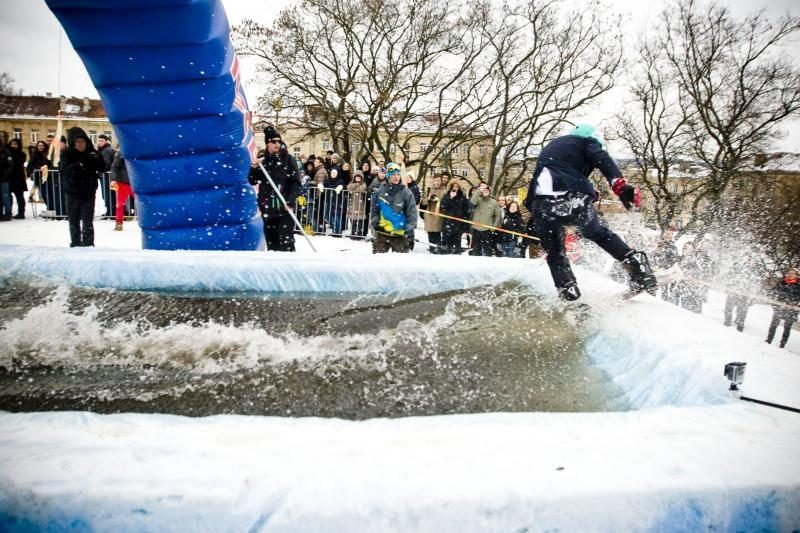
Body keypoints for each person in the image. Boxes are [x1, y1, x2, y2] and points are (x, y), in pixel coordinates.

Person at [523, 123, 656, 300]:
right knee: (598, 233)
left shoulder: (553, 148)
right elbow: (600, 157)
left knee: (555, 253)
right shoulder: (586, 142)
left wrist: (535, 216)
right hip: (571, 196)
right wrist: (618, 183)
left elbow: (552, 177)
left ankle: (568, 291)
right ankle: (638, 269)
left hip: (541, 205)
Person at [248, 125, 301, 251]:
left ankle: (290, 267)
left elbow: (295, 183)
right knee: (272, 243)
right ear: (267, 144)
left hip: (284, 208)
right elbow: (252, 180)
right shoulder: (264, 161)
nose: (277, 144)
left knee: (286, 241)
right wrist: (254, 168)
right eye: (273, 141)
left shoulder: (288, 160)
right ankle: (275, 270)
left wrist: (290, 201)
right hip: (268, 209)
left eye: (279, 141)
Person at [60, 127, 105, 246]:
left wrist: (98, 158)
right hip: (72, 191)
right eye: (78, 142)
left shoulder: (91, 152)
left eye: (83, 141)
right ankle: (75, 242)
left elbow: (103, 167)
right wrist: (79, 164)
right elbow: (64, 170)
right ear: (73, 143)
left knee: (87, 219)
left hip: (88, 191)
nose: (81, 144)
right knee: (73, 219)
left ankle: (88, 243)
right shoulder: (67, 154)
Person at [370, 161, 417, 253]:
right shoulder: (379, 192)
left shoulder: (406, 193)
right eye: (393, 174)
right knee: (377, 263)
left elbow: (412, 213)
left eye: (398, 174)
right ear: (388, 176)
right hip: (382, 233)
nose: (396, 177)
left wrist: (409, 229)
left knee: (401, 265)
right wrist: (375, 223)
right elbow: (374, 210)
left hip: (400, 234)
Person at [766, 268, 799, 349]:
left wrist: (795, 303)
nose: (790, 274)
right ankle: (769, 340)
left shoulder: (798, 285)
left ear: (796, 275)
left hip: (791, 309)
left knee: (787, 327)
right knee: (774, 324)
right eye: (789, 273)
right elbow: (774, 292)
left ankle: (782, 344)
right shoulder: (782, 283)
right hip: (780, 307)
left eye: (792, 273)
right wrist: (775, 301)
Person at [469, 182, 503, 257]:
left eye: (487, 190)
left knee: (487, 251)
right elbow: (472, 201)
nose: (485, 192)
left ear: (489, 192)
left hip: (487, 230)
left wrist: (493, 227)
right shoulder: (478, 199)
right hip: (476, 229)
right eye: (484, 190)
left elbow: (498, 216)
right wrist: (479, 190)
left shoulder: (494, 202)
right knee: (475, 251)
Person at [440, 179, 471, 254]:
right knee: (447, 245)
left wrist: (465, 224)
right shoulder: (446, 196)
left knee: (457, 246)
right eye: (453, 186)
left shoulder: (462, 197)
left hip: (458, 224)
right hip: (448, 223)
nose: (455, 188)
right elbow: (443, 206)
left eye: (457, 186)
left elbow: (466, 211)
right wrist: (450, 198)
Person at [420, 174, 447, 253]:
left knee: (437, 233)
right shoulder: (429, 190)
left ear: (441, 181)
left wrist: (438, 200)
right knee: (430, 233)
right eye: (436, 180)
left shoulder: (444, 191)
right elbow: (423, 203)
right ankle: (432, 249)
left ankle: (438, 249)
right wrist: (428, 198)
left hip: (438, 215)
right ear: (433, 181)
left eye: (439, 180)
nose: (437, 182)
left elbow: (446, 203)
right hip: (429, 215)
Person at [109, 150, 133, 231]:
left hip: (131, 181)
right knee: (120, 203)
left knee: (120, 204)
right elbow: (115, 167)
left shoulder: (123, 151)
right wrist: (114, 179)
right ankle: (119, 222)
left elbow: (114, 167)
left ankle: (119, 222)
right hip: (125, 181)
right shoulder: (122, 152)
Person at [6, 138, 28, 219]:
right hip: (9, 177)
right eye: (12, 144)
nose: (13, 146)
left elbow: (18, 164)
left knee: (19, 196)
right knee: (8, 196)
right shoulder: (7, 153)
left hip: (18, 178)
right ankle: (9, 212)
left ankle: (21, 213)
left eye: (15, 144)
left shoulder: (21, 154)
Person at [96, 134, 115, 217]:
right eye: (99, 140)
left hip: (106, 175)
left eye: (102, 141)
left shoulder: (106, 150)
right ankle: (111, 211)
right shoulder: (104, 150)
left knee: (107, 195)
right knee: (108, 194)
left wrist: (99, 168)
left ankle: (110, 212)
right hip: (106, 175)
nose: (99, 142)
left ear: (106, 141)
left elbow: (106, 164)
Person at [346, 170, 369, 237]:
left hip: (360, 204)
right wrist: (356, 184)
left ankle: (359, 232)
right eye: (356, 177)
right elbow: (348, 187)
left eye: (359, 177)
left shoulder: (363, 184)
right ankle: (353, 232)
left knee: (360, 220)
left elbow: (361, 189)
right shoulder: (351, 183)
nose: (358, 179)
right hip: (352, 204)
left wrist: (355, 188)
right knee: (353, 219)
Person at [0, 138, 13, 221]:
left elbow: (10, 166)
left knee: (5, 196)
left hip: (4, 179)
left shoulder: (6, 152)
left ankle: (8, 213)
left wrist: (4, 175)